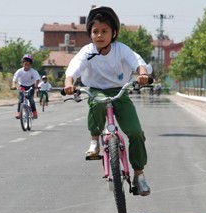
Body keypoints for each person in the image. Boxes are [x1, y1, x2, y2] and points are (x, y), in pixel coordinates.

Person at [64, 6, 151, 196]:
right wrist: (69, 82)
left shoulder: (121, 49)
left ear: (114, 33)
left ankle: (139, 174)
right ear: (90, 33)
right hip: (96, 91)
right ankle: (94, 140)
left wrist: (142, 73)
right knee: (99, 102)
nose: (99, 35)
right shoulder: (87, 51)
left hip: (120, 92)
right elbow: (74, 67)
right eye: (95, 31)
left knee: (136, 132)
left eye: (104, 31)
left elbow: (136, 60)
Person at [12, 54, 40, 119]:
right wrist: (14, 85)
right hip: (22, 87)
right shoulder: (19, 71)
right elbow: (14, 80)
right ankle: (19, 114)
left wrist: (36, 86)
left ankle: (34, 113)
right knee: (20, 100)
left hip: (31, 87)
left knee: (31, 100)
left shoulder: (33, 71)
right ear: (23, 63)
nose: (27, 65)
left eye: (28, 63)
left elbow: (37, 79)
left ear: (31, 64)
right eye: (25, 63)